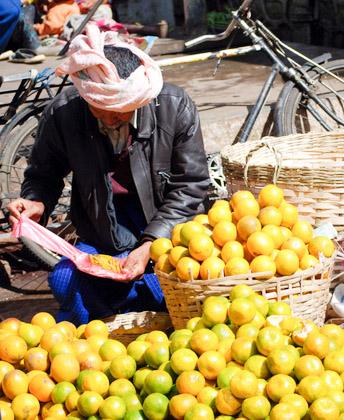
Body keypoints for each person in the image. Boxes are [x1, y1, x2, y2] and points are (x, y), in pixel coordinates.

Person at [6, 24, 209, 325]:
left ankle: (128, 308)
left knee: (178, 289)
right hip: (103, 227)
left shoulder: (174, 106)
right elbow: (43, 175)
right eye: (98, 107)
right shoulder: (64, 112)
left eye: (119, 110)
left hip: (166, 224)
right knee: (65, 282)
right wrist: (37, 202)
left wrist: (151, 243)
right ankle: (113, 320)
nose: (108, 117)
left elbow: (191, 187)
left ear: (139, 99)